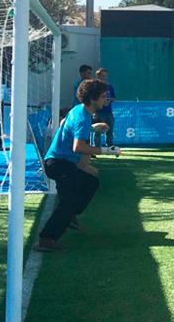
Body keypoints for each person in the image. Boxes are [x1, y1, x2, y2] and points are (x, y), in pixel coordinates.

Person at [35, 80, 121, 252]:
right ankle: (46, 239)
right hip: (59, 164)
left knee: (91, 182)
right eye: (103, 96)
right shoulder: (83, 117)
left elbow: (64, 125)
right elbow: (79, 147)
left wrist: (92, 127)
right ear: (93, 98)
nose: (106, 99)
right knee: (68, 202)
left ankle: (71, 214)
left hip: (59, 163)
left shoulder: (79, 110)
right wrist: (106, 150)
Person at [93, 68, 117, 147]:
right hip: (99, 111)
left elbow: (113, 98)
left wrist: (110, 100)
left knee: (110, 128)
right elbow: (94, 98)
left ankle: (109, 144)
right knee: (98, 130)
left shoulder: (109, 86)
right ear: (98, 76)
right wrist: (95, 112)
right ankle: (96, 146)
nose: (105, 77)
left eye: (106, 76)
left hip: (108, 111)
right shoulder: (95, 87)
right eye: (102, 76)